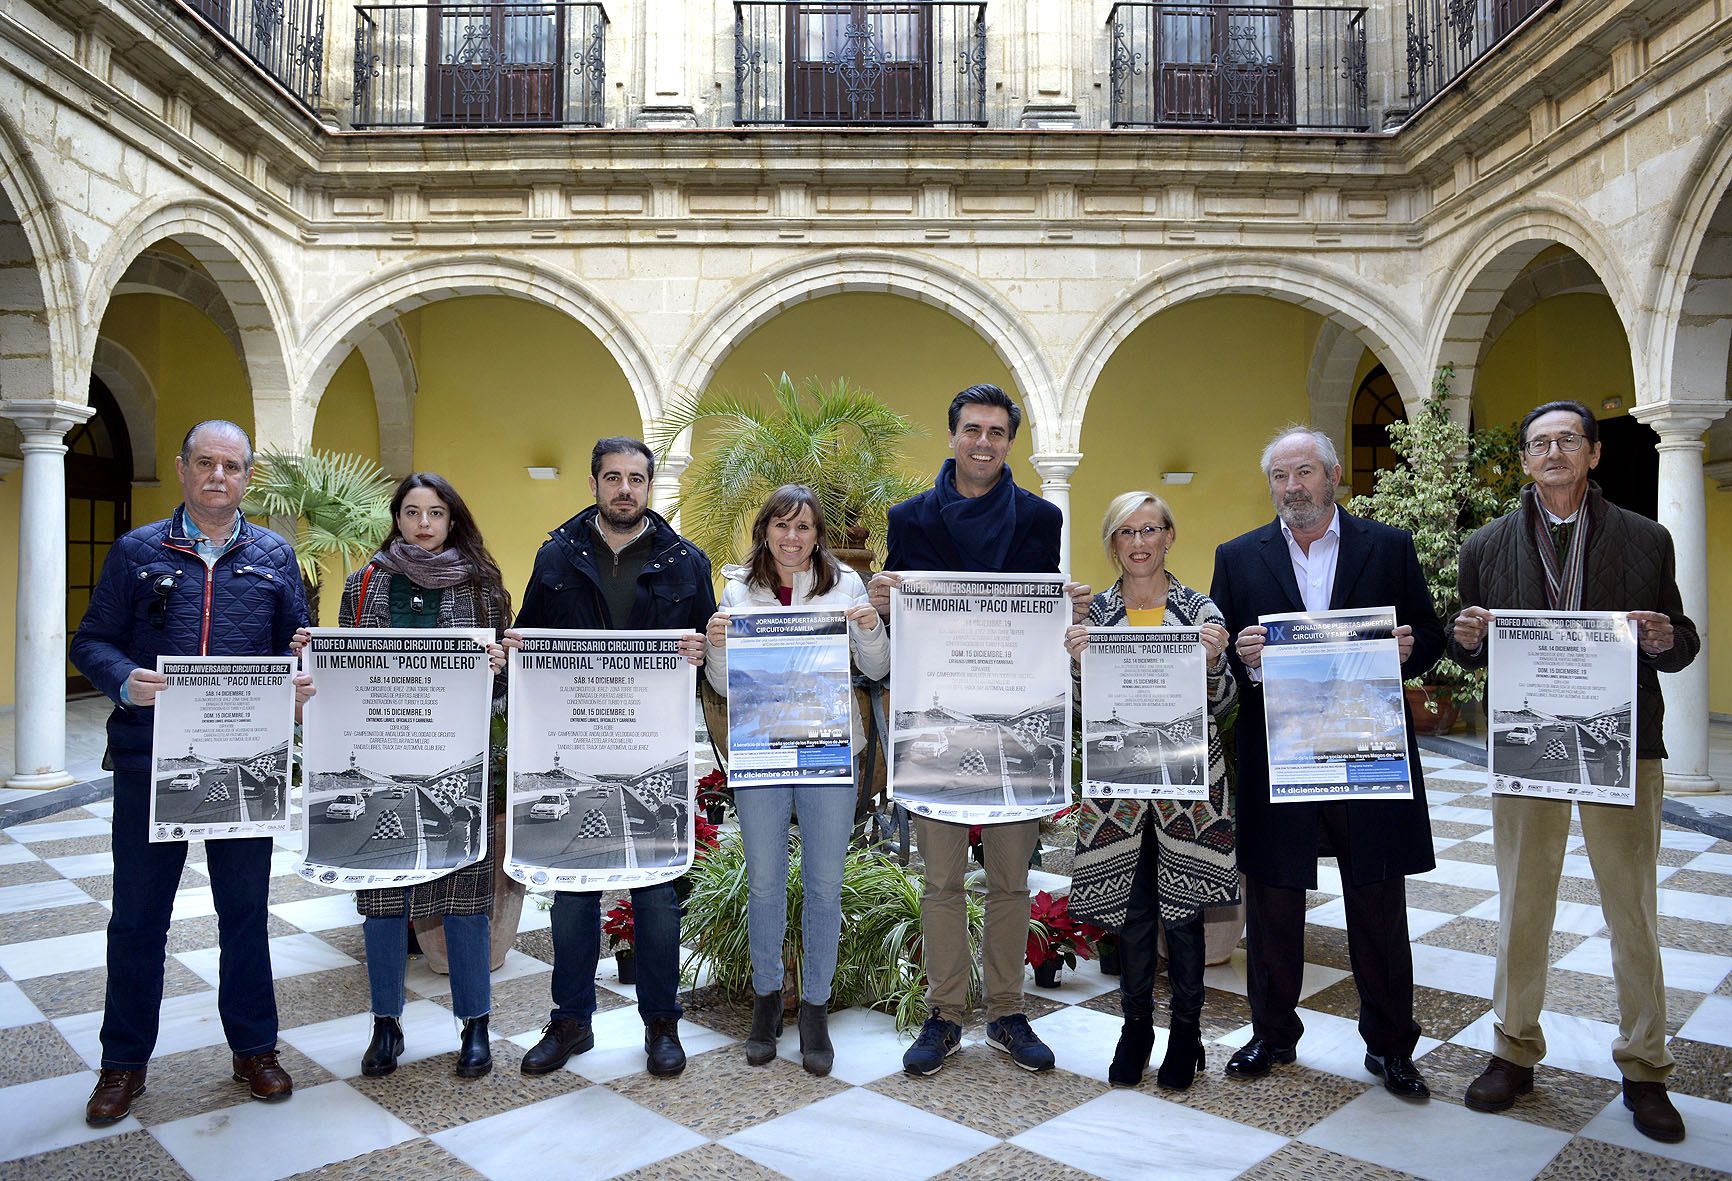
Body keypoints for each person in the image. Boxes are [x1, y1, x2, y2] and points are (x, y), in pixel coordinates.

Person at [1449, 400, 1699, 1143]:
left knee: (1633, 908)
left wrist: (1663, 636)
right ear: (1524, 459)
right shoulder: (1485, 545)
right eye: (1537, 442)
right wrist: (1465, 637)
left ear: (1593, 453)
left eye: (1567, 440)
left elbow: (1680, 639)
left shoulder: (1648, 538)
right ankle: (1514, 1049)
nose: (1551, 451)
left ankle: (1645, 1065)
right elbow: (1465, 646)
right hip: (1529, 750)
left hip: (1622, 746)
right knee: (1522, 901)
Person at [70, 420, 312, 1125]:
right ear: (181, 468)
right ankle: (123, 1064)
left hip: (246, 766)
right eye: (205, 463)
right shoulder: (136, 551)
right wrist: (123, 679)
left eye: (232, 466)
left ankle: (255, 1049)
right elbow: (92, 639)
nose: (218, 476)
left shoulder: (275, 555)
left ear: (248, 475)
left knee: (244, 914)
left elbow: (293, 648)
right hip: (151, 761)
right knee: (139, 919)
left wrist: (297, 680)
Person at [1209, 425, 1443, 1101]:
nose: (1292, 488)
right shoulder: (1239, 555)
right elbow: (1220, 653)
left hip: (1367, 752)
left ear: (1333, 474)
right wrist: (1239, 652)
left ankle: (1392, 1045)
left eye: (1304, 472)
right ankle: (1272, 1032)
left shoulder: (1389, 546)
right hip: (1281, 755)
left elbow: (1427, 634)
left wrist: (1407, 648)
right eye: (1280, 477)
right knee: (1275, 901)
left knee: (1377, 902)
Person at [868, 384, 1089, 1076]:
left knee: (1009, 879)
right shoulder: (908, 518)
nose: (984, 442)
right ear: (952, 434)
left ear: (1010, 441)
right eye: (973, 429)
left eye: (997, 431)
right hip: (937, 728)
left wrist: (1064, 607)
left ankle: (1006, 1010)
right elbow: (909, 625)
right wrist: (884, 601)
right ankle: (943, 1014)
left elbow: (1034, 618)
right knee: (938, 880)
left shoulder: (1040, 517)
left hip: (1013, 726)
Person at [509, 437, 714, 1079]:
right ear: (594, 483)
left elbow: (708, 642)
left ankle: (661, 1024)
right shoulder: (555, 555)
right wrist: (514, 651)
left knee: (656, 895)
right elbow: (531, 636)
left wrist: (703, 653)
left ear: (650, 487)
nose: (625, 489)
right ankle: (570, 1021)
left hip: (654, 750)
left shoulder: (686, 562)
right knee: (573, 894)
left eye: (636, 479)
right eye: (613, 478)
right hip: (576, 742)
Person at [295, 473, 511, 1079]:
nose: (423, 523)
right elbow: (344, 670)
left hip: (457, 767)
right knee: (384, 900)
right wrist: (315, 652)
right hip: (381, 766)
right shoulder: (367, 581)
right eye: (412, 512)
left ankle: (475, 1027)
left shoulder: (483, 585)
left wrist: (500, 663)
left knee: (466, 901)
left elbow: (502, 682)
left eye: (436, 513)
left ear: (452, 519)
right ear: (397, 518)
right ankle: (385, 1026)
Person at [703, 484, 890, 1076]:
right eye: (781, 526)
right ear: (765, 532)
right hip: (761, 754)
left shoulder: (847, 587)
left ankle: (813, 1008)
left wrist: (866, 628)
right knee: (763, 884)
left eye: (803, 527)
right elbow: (727, 685)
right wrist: (715, 647)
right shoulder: (739, 590)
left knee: (825, 885)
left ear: (817, 536)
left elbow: (877, 667)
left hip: (828, 755)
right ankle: (764, 1005)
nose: (792, 537)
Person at [1064, 492, 1236, 1090]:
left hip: (1189, 783)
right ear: (1112, 544)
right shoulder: (1096, 619)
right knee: (1132, 916)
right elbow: (1082, 713)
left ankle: (1186, 1036)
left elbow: (1225, 705)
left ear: (1169, 537)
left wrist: (1214, 664)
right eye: (1125, 533)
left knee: (1184, 914)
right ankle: (1135, 1029)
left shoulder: (1200, 611)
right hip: (1118, 788)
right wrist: (1080, 666)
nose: (1138, 543)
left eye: (1149, 530)